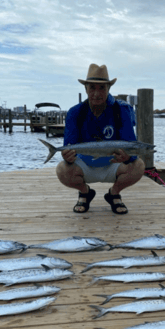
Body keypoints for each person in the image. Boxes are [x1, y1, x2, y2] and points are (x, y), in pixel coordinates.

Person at [56, 63, 145, 215]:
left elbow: (131, 146)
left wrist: (128, 156)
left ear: (108, 89)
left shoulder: (121, 110)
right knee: (62, 169)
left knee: (139, 166)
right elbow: (69, 148)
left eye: (102, 88)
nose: (97, 93)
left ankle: (114, 193)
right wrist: (68, 157)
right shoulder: (74, 112)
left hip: (113, 164)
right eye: (92, 88)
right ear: (86, 89)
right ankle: (85, 193)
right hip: (84, 163)